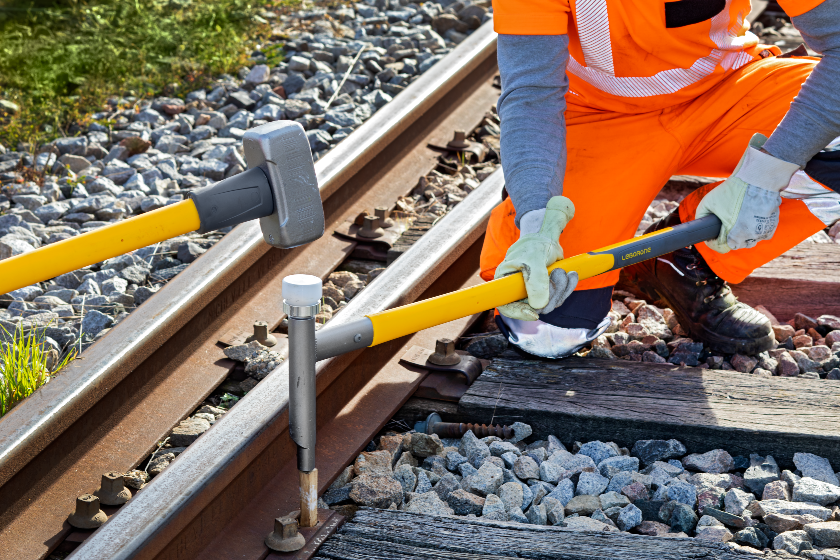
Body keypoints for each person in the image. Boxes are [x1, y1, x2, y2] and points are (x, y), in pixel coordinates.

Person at [481, 0, 840, 358]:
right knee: (547, 331)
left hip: (728, 92)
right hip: (598, 119)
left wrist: (768, 173)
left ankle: (686, 259)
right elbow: (531, 93)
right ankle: (529, 215)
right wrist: (535, 221)